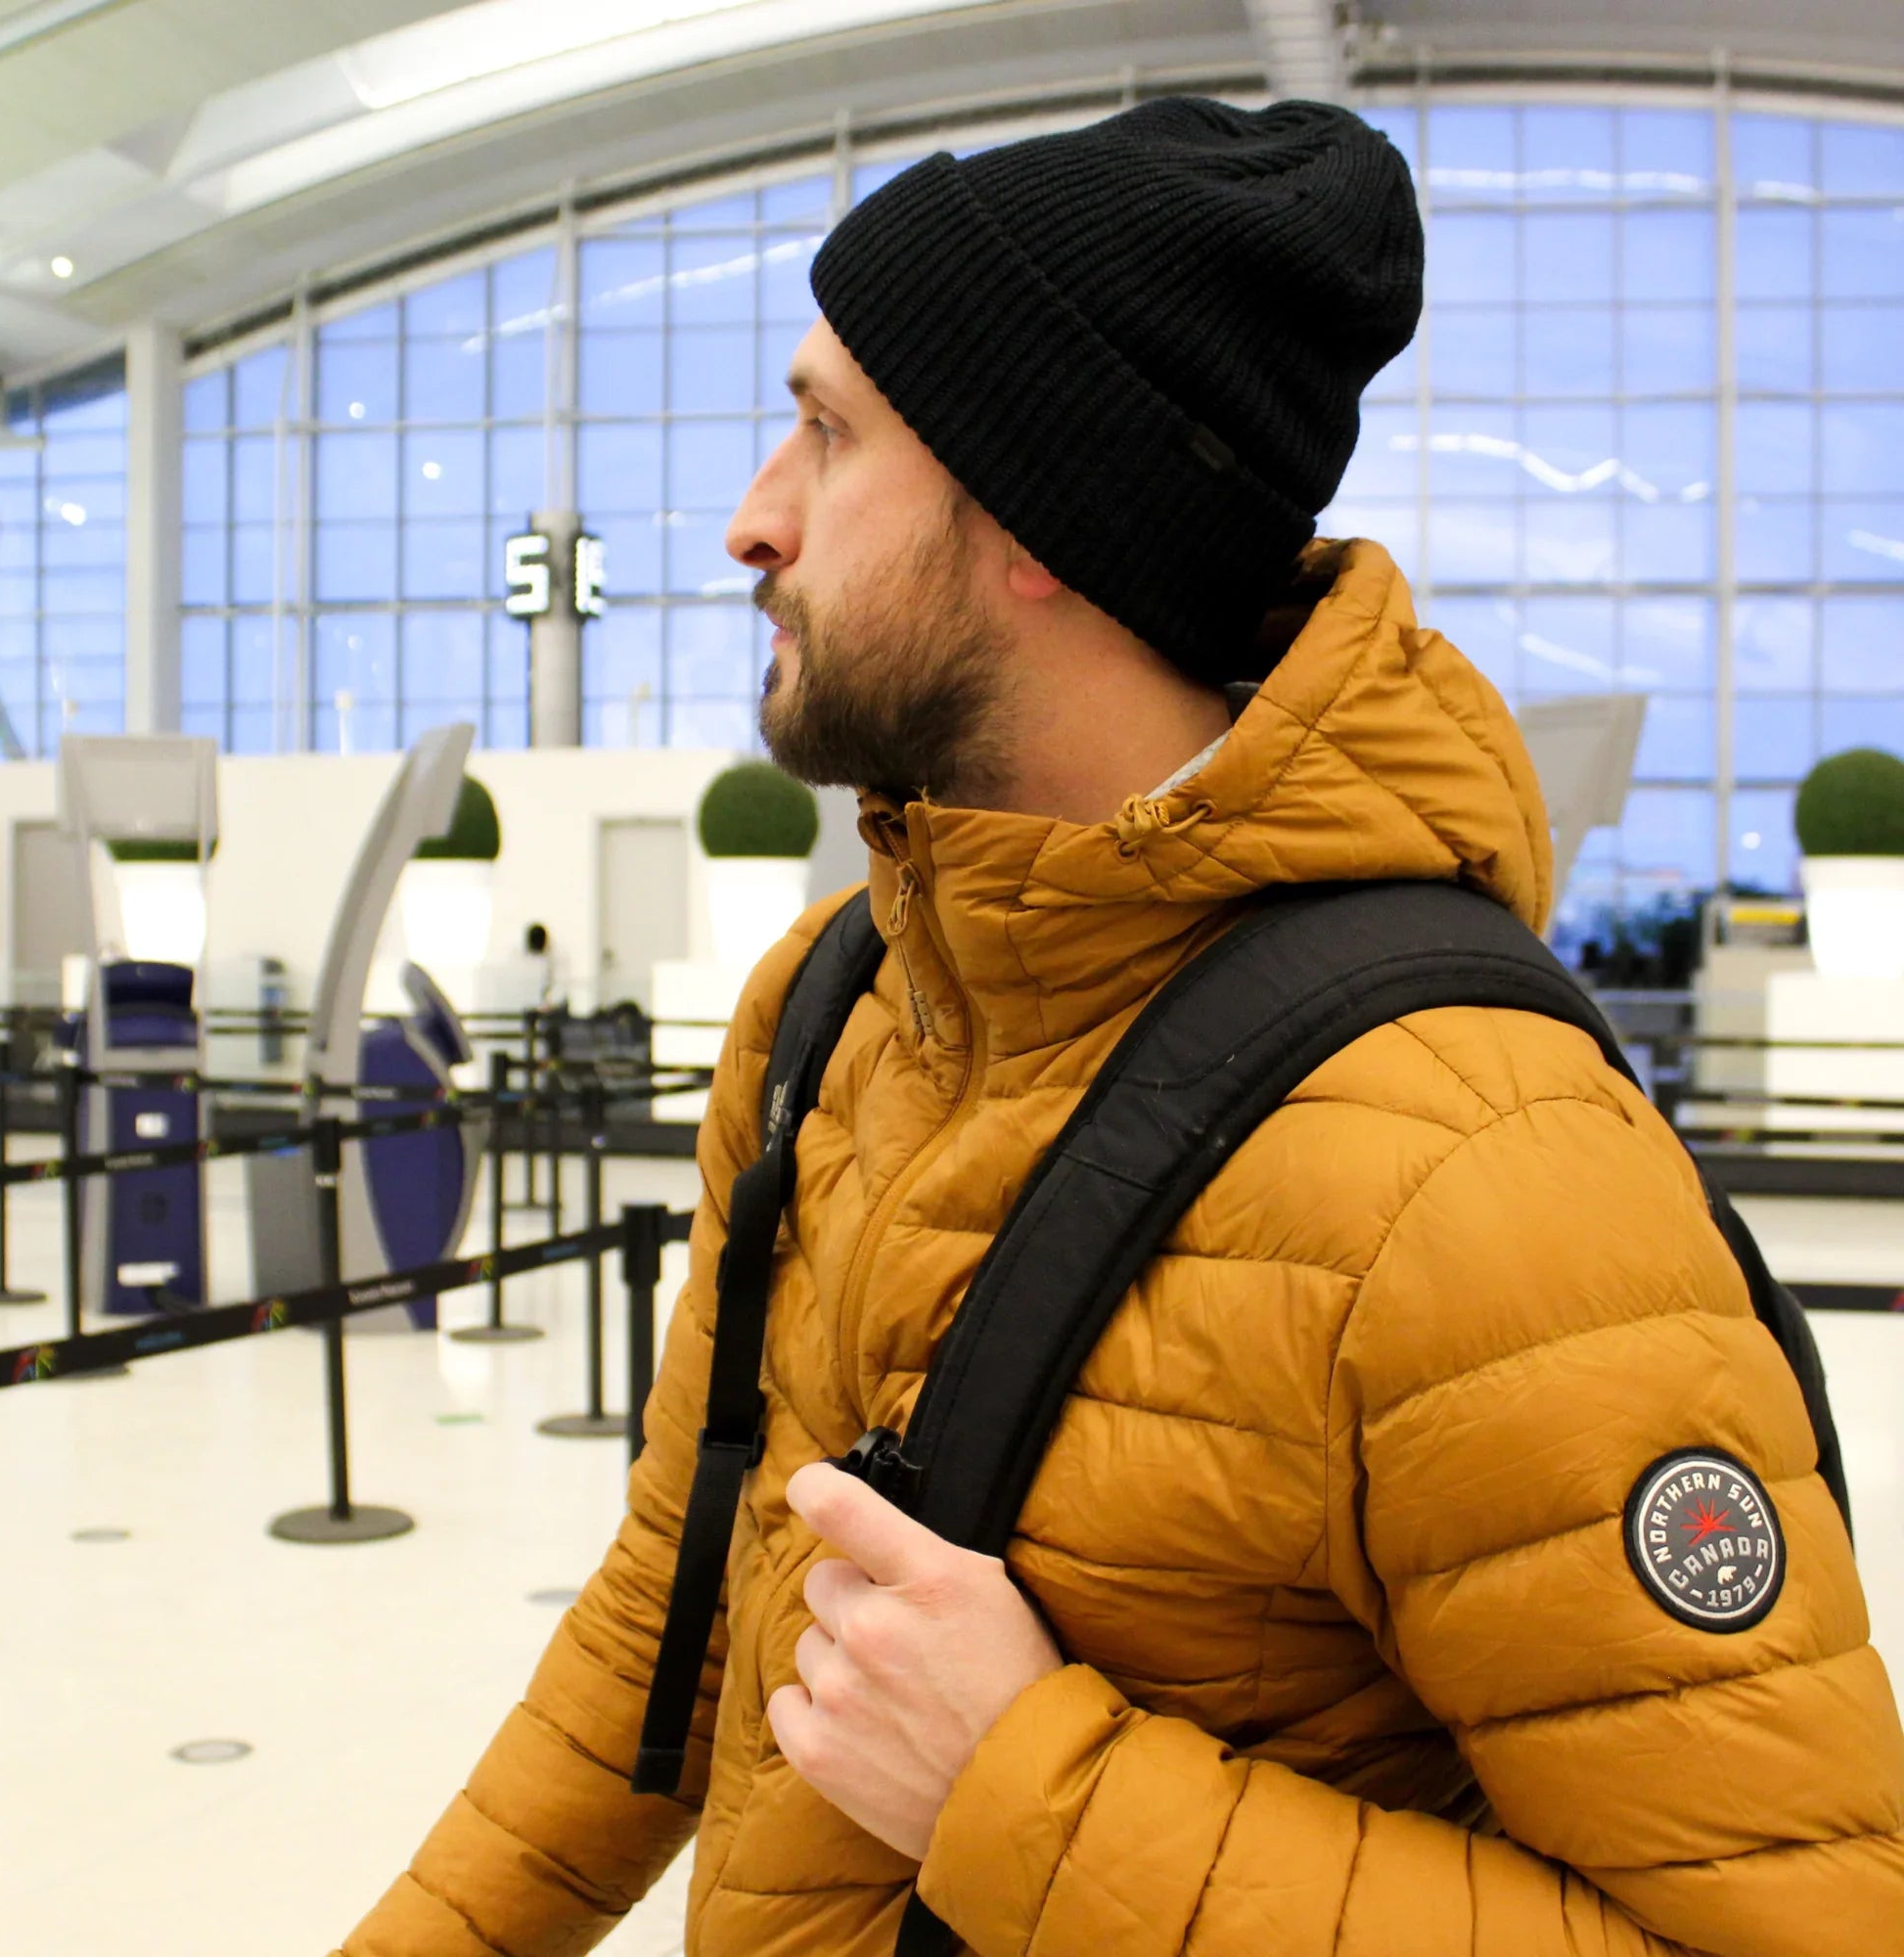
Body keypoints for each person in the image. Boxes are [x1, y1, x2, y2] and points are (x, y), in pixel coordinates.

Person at [337, 98, 1904, 1957]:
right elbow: (660, 1632)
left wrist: (1031, 1794)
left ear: (1045, 528)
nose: (754, 519)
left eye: (829, 436)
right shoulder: (832, 1007)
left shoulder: (1484, 1175)